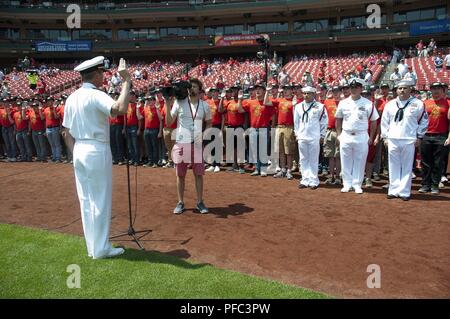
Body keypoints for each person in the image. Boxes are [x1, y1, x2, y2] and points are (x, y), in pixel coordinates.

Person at [62, 56, 131, 259]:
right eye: (102, 73)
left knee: (86, 200)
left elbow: (65, 132)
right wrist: (126, 82)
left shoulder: (72, 97)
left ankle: (93, 246)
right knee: (100, 200)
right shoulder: (95, 95)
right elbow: (119, 109)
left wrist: (75, 153)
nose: (103, 76)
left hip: (79, 149)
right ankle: (101, 249)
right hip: (96, 148)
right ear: (97, 74)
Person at [164, 78, 212, 215]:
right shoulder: (179, 103)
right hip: (181, 143)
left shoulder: (205, 106)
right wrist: (168, 104)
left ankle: (200, 201)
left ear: (200, 90)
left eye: (195, 87)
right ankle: (180, 202)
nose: (192, 89)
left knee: (198, 174)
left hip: (196, 144)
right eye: (190, 87)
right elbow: (168, 122)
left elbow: (209, 122)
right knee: (180, 175)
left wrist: (204, 135)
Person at [381, 80, 429, 200]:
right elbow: (384, 122)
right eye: (400, 88)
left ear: (410, 90)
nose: (402, 90)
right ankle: (393, 190)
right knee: (393, 165)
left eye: (405, 88)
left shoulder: (418, 104)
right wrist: (385, 137)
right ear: (396, 90)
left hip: (409, 139)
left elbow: (424, 121)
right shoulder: (390, 104)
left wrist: (419, 136)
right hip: (393, 138)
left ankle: (404, 191)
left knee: (407, 166)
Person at [335, 78, 379, 194]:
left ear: (361, 88)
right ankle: (347, 184)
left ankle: (357, 184)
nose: (354, 89)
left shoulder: (368, 104)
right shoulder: (343, 103)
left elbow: (374, 120)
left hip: (361, 135)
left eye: (356, 87)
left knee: (360, 161)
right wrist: (339, 134)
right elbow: (338, 119)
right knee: (346, 160)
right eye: (352, 87)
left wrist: (371, 136)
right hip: (346, 135)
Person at [419, 82, 450, 195]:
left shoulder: (448, 103)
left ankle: (434, 185)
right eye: (433, 89)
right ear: (430, 90)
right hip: (426, 135)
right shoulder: (424, 103)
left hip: (441, 136)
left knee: (438, 162)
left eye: (438, 89)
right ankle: (425, 184)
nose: (436, 91)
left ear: (443, 91)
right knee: (425, 162)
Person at [294, 86, 328, 189]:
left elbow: (324, 122)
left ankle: (313, 180)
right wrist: (297, 134)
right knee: (303, 159)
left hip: (314, 136)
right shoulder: (298, 106)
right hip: (302, 136)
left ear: (314, 94)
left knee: (313, 159)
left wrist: (322, 135)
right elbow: (296, 122)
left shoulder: (320, 106)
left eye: (308, 93)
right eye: (304, 93)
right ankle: (305, 179)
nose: (306, 95)